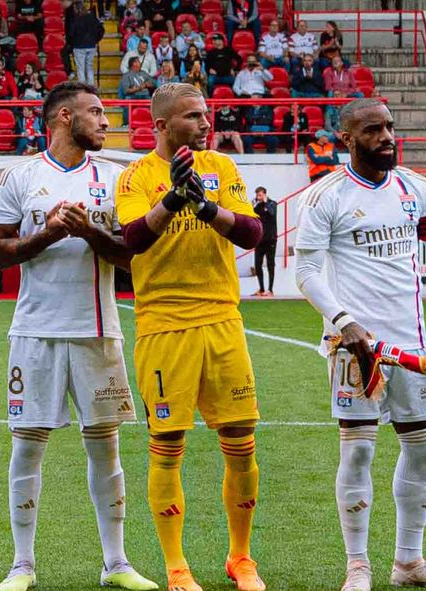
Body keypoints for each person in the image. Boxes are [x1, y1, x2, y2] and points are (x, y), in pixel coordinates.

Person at [0, 82, 158, 591]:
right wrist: (48, 234)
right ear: (64, 117)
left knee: (105, 447)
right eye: (98, 112)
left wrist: (86, 233)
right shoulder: (21, 177)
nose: (107, 122)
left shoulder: (117, 178)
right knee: (28, 445)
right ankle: (22, 564)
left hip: (98, 329)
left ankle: (116, 563)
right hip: (34, 331)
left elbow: (131, 256)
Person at [294, 99, 426, 591]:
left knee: (425, 447)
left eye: (389, 126)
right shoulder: (326, 196)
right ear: (347, 138)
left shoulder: (415, 188)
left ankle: (409, 561)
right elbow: (305, 272)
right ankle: (358, 566)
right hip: (356, 349)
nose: (386, 136)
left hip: (412, 345)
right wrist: (343, 321)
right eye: (373, 130)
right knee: (359, 453)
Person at [113, 82, 266, 591]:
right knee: (168, 441)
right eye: (194, 116)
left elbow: (250, 233)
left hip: (223, 320)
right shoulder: (135, 176)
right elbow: (132, 240)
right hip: (163, 324)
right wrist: (175, 198)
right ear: (161, 125)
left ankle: (240, 559)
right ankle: (177, 567)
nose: (206, 123)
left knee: (241, 441)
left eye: (207, 114)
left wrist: (203, 207)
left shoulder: (221, 168)